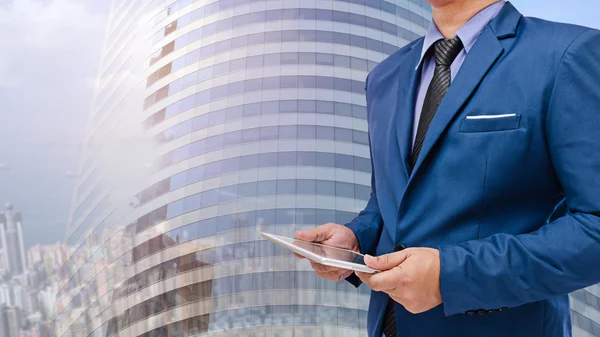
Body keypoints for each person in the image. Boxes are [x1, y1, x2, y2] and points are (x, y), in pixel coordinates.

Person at [295, 1, 600, 336]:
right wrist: (355, 239)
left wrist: (451, 277)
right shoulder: (384, 77)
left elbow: (594, 226)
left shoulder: (567, 53)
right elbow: (390, 202)